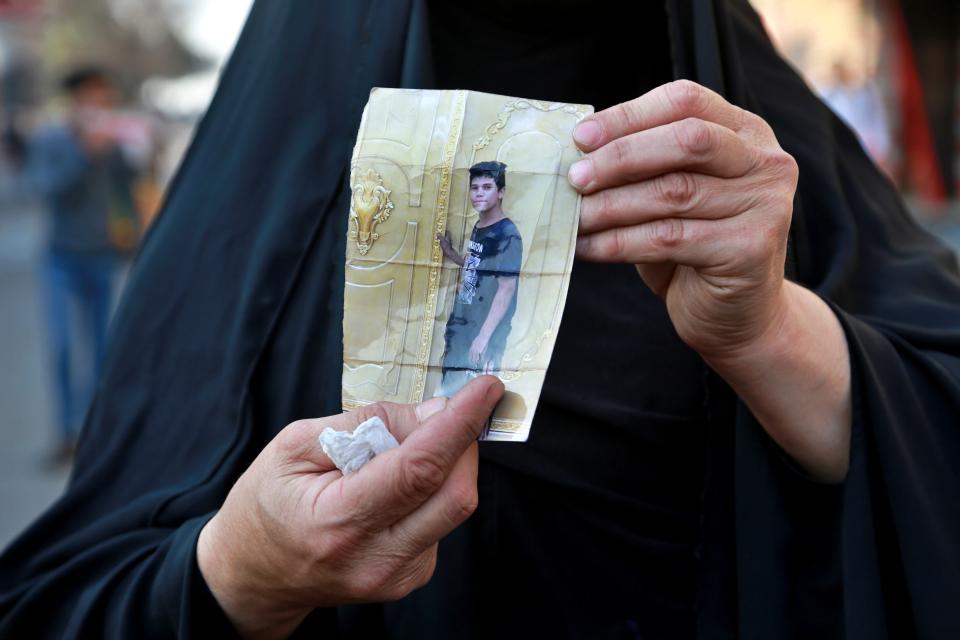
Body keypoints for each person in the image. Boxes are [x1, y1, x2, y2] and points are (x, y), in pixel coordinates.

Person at [2, 1, 959, 638]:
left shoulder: (754, 148)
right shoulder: (263, 197)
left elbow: (936, 432)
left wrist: (770, 333)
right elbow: (71, 594)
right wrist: (245, 570)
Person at [26, 66, 138, 463]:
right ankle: (67, 432)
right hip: (61, 258)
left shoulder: (112, 141)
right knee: (62, 346)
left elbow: (131, 185)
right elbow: (43, 187)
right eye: (90, 98)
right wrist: (82, 152)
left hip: (103, 255)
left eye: (103, 99)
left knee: (102, 347)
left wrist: (129, 148)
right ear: (75, 101)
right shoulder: (53, 139)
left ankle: (99, 432)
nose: (97, 106)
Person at [436, 161, 522, 395]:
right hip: (463, 323)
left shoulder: (508, 235)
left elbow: (507, 288)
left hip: (482, 330)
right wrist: (452, 254)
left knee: (472, 396)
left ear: (501, 192)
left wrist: (483, 338)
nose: (479, 193)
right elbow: (481, 264)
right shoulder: (481, 225)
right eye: (475, 188)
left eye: (487, 187)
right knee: (450, 389)